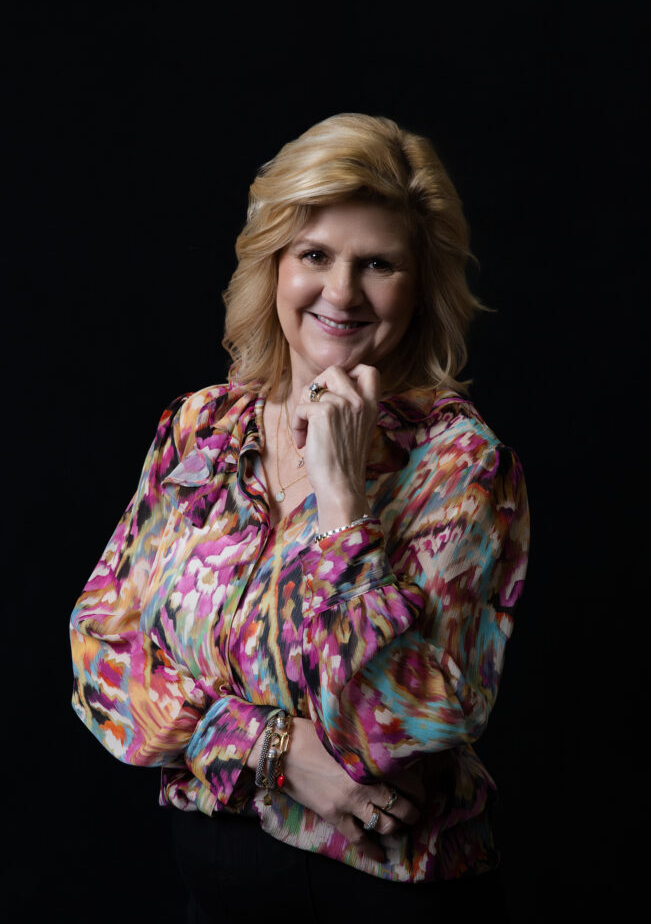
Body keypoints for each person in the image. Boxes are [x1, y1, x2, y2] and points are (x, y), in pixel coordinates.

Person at [70, 113, 529, 923]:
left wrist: (344, 506)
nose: (341, 292)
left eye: (377, 264)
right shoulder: (200, 429)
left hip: (388, 901)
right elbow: (100, 655)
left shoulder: (461, 467)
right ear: (273, 265)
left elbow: (405, 730)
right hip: (214, 892)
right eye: (314, 255)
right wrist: (270, 748)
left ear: (417, 288)